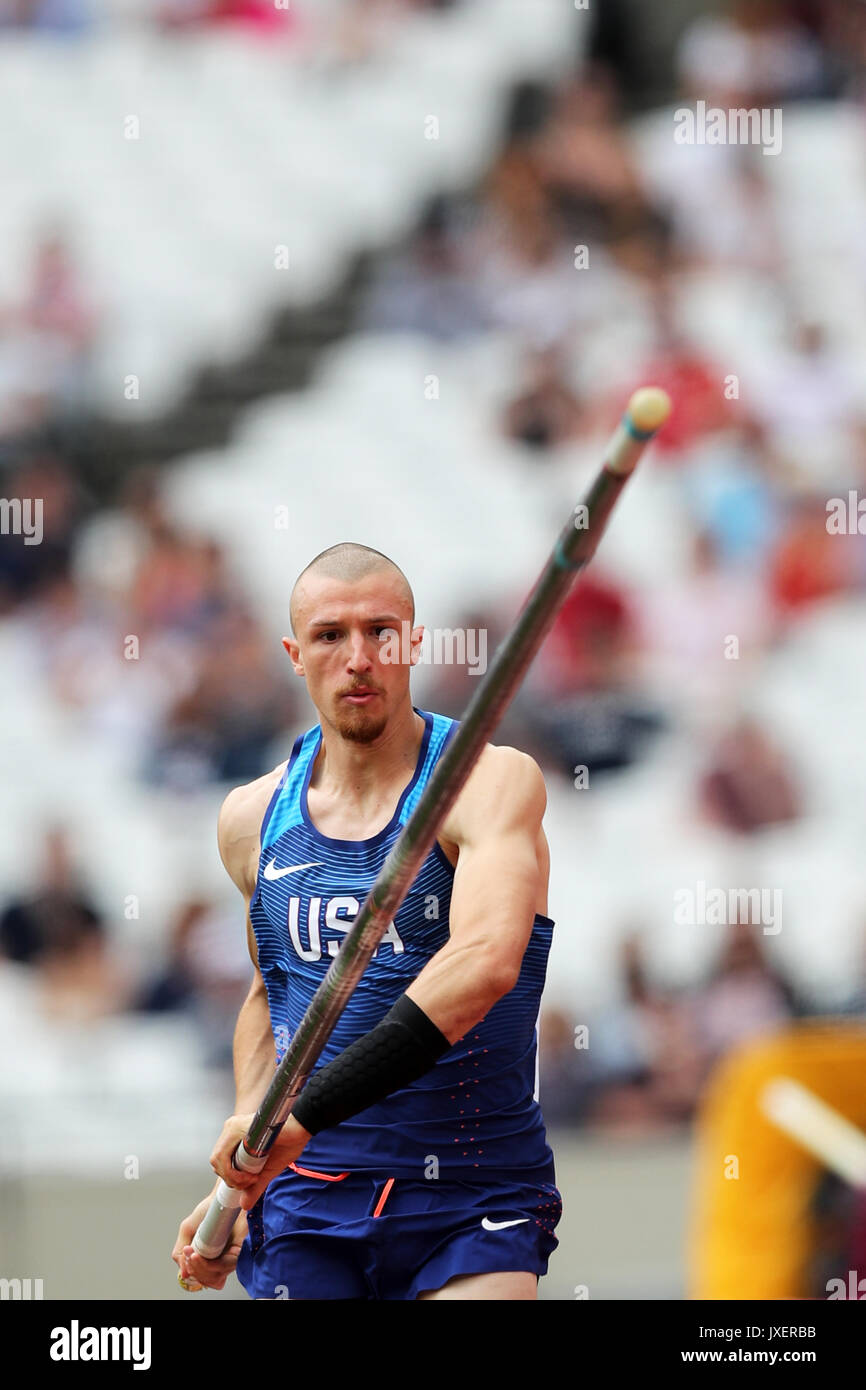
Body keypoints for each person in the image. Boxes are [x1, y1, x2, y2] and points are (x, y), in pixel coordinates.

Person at [172, 542, 561, 1300]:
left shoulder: (488, 781)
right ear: (294, 653)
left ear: (414, 641)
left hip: (471, 1191)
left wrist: (305, 1116)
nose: (359, 657)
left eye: (381, 631)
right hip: (308, 1201)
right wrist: (248, 1159)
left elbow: (484, 964)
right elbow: (271, 993)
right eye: (330, 635)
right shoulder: (251, 817)